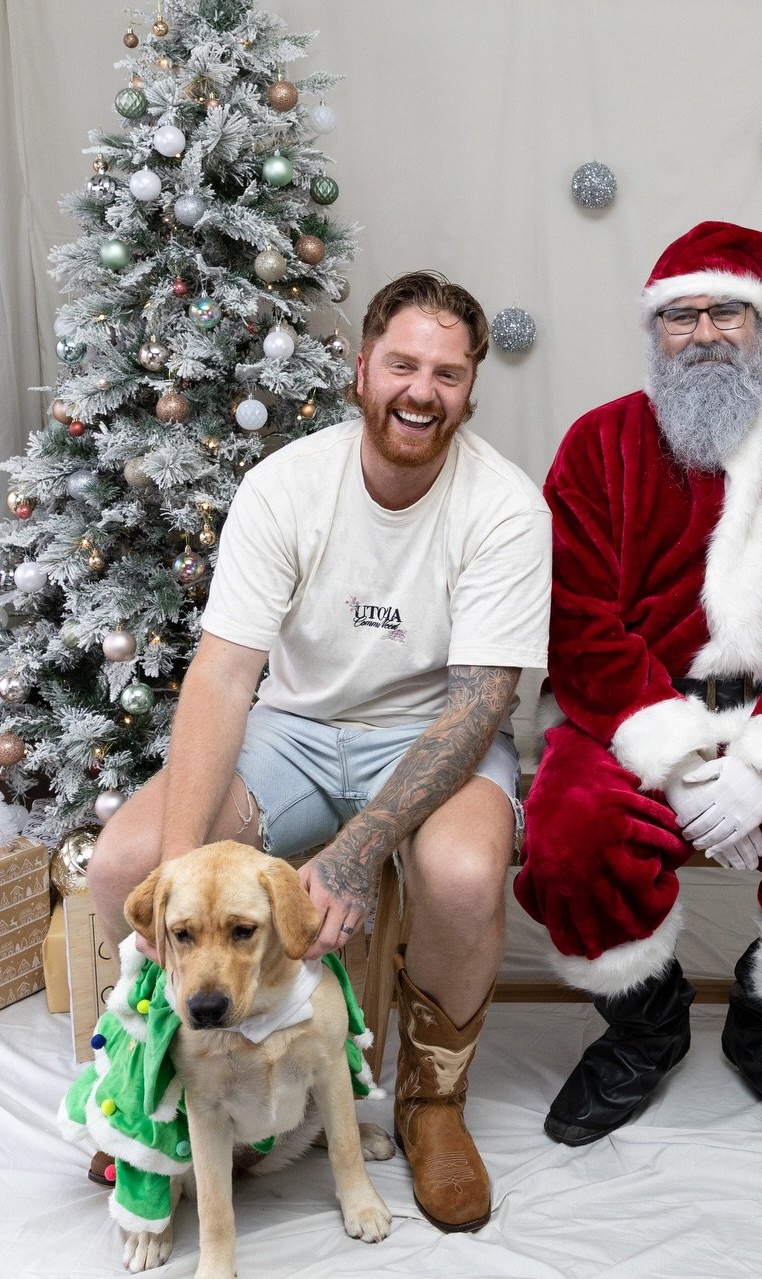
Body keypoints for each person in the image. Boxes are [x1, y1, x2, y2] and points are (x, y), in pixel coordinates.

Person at [87, 271, 551, 1235]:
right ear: (362, 369)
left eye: (448, 373)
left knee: (465, 875)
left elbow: (480, 704)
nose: (422, 391)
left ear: (471, 389)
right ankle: (161, 1084)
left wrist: (360, 846)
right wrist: (176, 871)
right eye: (403, 365)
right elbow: (223, 676)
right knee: (127, 863)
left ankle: (430, 1101)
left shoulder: (506, 507)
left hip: (433, 733)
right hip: (293, 730)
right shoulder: (287, 484)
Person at [513, 220, 762, 1149]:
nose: (703, 334)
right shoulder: (597, 443)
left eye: (726, 312)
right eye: (680, 316)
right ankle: (644, 1024)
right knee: (571, 838)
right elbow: (576, 614)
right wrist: (677, 756)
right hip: (628, 712)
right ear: (655, 331)